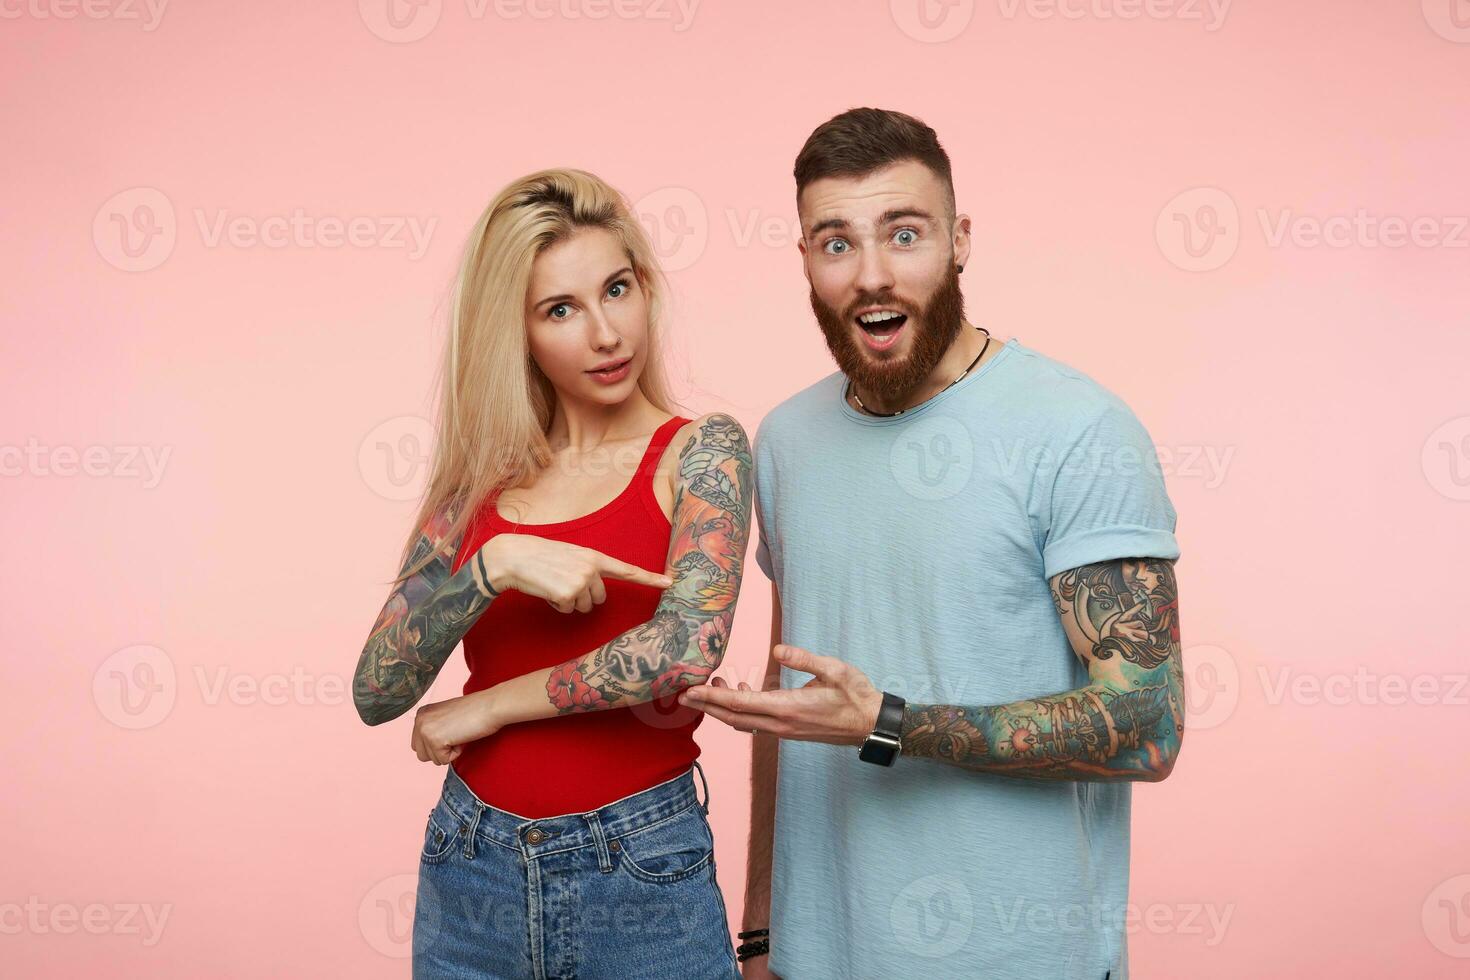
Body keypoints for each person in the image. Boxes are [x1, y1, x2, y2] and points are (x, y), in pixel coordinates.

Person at [681, 108, 1185, 980]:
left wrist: (888, 724)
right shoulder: (787, 440)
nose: (872, 276)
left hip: (1023, 957)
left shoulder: (1078, 429)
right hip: (818, 956)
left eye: (903, 234)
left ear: (959, 241)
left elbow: (1145, 728)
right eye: (836, 243)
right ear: (804, 259)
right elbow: (788, 692)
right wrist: (763, 930)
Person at [351, 168, 752, 979]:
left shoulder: (701, 451)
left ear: (646, 288)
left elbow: (684, 647)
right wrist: (491, 568)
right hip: (472, 868)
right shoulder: (476, 487)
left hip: (641, 870)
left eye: (617, 289)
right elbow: (377, 691)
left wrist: (488, 708)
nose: (606, 334)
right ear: (520, 332)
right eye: (561, 310)